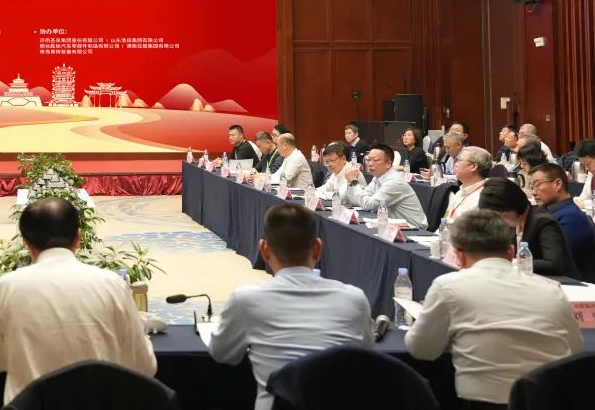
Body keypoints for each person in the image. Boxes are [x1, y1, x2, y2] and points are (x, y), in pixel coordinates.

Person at [0, 197, 156, 403]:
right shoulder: (112, 284)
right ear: (78, 237)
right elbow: (145, 367)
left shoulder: (7, 286)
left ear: (26, 243)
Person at [405, 210, 582, 407]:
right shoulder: (552, 291)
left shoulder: (448, 287)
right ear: (511, 253)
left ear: (459, 256)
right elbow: (575, 348)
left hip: (482, 402)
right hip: (550, 401)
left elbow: (420, 349)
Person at [210, 204, 373, 410]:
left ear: (264, 250)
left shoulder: (245, 300)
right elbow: (367, 354)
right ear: (318, 248)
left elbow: (222, 354)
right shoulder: (355, 299)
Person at [478, 177, 581, 280]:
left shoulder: (543, 222)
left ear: (510, 206)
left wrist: (513, 263)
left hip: (563, 283)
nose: (500, 220)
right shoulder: (514, 224)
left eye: (501, 215)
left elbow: (554, 264)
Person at [529, 163, 595, 282]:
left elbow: (557, 262)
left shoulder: (571, 219)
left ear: (557, 184)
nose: (534, 192)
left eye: (537, 185)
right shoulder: (549, 213)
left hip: (573, 285)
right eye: (532, 187)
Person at [343, 143, 428, 229]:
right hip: (394, 225)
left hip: (414, 228)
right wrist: (352, 183)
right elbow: (361, 199)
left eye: (375, 160)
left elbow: (368, 205)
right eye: (368, 160)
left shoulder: (394, 182)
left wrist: (354, 181)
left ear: (388, 164)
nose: (370, 164)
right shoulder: (377, 177)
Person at [444, 146, 492, 221]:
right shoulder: (460, 192)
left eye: (459, 160)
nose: (456, 164)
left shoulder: (482, 198)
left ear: (474, 166)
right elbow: (447, 218)